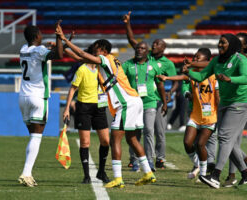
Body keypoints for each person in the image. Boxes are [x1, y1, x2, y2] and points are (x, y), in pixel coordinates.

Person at [56, 24, 156, 188]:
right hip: (135, 100)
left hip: (126, 103)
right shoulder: (112, 60)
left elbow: (81, 54)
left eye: (96, 49)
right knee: (131, 138)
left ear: (102, 50)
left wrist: (65, 39)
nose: (93, 51)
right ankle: (148, 173)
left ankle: (117, 178)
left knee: (114, 139)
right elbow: (81, 58)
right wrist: (62, 45)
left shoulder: (104, 59)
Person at [182, 34, 247, 189]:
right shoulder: (216, 60)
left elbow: (245, 78)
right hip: (226, 102)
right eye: (219, 42)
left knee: (223, 137)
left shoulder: (240, 59)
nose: (220, 45)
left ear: (232, 44)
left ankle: (215, 176)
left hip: (242, 102)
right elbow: (202, 75)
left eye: (223, 42)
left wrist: (230, 79)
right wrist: (188, 73)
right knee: (227, 141)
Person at [123, 11, 178, 169]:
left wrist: (169, 93)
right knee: (137, 130)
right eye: (152, 44)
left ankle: (158, 158)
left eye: (156, 45)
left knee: (156, 131)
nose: (153, 46)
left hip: (155, 100)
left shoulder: (167, 63)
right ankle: (135, 159)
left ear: (163, 48)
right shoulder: (147, 57)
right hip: (137, 99)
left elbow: (173, 81)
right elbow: (132, 40)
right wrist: (127, 24)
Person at [158, 48, 219, 180]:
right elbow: (182, 77)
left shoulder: (213, 74)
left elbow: (218, 97)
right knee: (187, 142)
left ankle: (204, 172)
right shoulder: (192, 75)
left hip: (210, 117)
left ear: (206, 61)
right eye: (194, 57)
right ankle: (197, 164)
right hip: (195, 115)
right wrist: (167, 77)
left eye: (198, 58)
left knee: (201, 144)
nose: (195, 59)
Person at [18, 21, 64, 187]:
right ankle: (26, 173)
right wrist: (59, 37)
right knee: (36, 137)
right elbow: (58, 55)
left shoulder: (23, 49)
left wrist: (58, 44)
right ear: (37, 36)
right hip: (37, 96)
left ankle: (28, 172)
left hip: (23, 96)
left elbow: (43, 51)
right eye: (40, 34)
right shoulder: (39, 50)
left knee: (33, 136)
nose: (42, 36)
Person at [62, 43, 110, 184]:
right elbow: (72, 89)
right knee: (85, 142)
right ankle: (87, 175)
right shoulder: (82, 69)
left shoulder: (102, 69)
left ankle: (101, 171)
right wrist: (67, 109)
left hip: (99, 107)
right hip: (84, 108)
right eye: (95, 54)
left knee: (106, 141)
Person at [122, 41, 167, 172]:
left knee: (148, 130)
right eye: (137, 48)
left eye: (142, 48)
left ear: (147, 51)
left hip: (149, 102)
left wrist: (164, 102)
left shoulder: (154, 65)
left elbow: (160, 85)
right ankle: (134, 160)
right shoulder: (127, 65)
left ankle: (149, 161)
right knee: (134, 132)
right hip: (132, 103)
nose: (139, 50)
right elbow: (120, 82)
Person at [223, 32, 247, 187]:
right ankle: (244, 164)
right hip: (232, 98)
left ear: (245, 45)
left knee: (230, 140)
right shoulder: (235, 57)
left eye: (238, 41)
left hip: (241, 100)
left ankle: (236, 173)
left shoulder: (246, 57)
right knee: (231, 139)